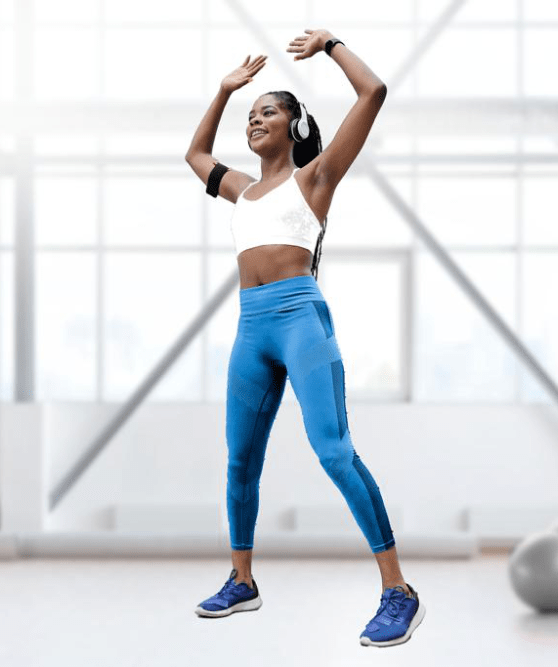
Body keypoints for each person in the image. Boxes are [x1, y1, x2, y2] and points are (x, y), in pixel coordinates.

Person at [183, 29, 425, 647]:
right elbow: (194, 156)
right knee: (240, 459)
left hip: (299, 318)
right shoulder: (241, 189)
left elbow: (373, 91)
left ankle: (397, 590)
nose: (254, 118)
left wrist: (331, 45)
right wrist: (221, 90)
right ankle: (242, 580)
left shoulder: (315, 178)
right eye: (250, 114)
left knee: (334, 451)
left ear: (294, 127)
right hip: (250, 326)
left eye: (268, 111)